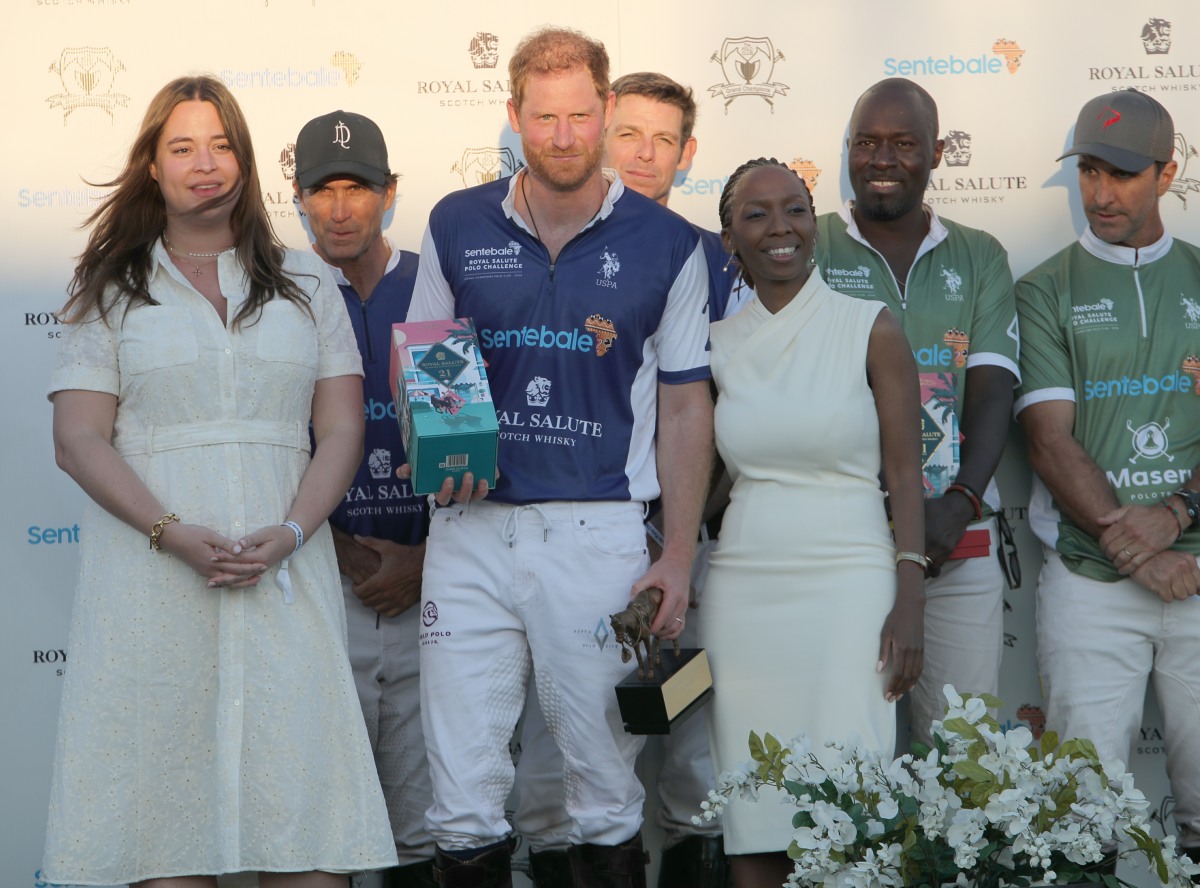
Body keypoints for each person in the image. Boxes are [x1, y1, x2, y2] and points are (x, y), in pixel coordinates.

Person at [42, 76, 395, 887]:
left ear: (245, 160)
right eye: (183, 147)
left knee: (309, 841)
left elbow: (343, 428)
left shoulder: (309, 282)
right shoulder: (108, 285)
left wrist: (294, 531)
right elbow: (78, 439)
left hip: (287, 581)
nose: (205, 164)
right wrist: (170, 533)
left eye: (221, 144)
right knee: (162, 840)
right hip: (149, 588)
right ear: (153, 166)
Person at [406, 27, 713, 888]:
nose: (565, 136)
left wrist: (677, 554)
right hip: (468, 532)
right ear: (514, 115)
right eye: (545, 118)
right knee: (460, 800)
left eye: (580, 116)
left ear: (606, 110)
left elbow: (686, 406)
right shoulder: (456, 221)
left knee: (605, 794)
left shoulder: (668, 241)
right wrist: (444, 449)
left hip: (598, 535)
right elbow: (426, 357)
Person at [512, 71, 738, 888]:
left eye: (663, 140)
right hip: (584, 538)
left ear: (687, 153)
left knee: (691, 742)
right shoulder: (547, 248)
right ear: (603, 135)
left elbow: (729, 410)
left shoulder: (722, 259)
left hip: (690, 538)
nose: (644, 155)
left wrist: (678, 533)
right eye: (629, 135)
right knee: (564, 741)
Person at [700, 158, 925, 888]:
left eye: (795, 209)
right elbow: (708, 482)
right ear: (730, 238)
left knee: (851, 801)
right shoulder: (714, 344)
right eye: (757, 214)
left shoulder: (870, 327)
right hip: (743, 590)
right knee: (754, 803)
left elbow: (905, 476)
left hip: (850, 582)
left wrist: (911, 595)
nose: (781, 228)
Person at [1014, 88, 1200, 865]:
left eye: (1122, 174)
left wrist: (1179, 511)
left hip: (1197, 575)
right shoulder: (1045, 287)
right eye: (1089, 171)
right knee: (1085, 824)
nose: (1100, 193)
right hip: (1090, 582)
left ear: (1168, 172)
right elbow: (1048, 442)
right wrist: (1141, 552)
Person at [814, 78, 1019, 748]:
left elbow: (992, 391)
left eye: (903, 143)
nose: (882, 159)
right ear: (847, 149)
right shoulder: (810, 245)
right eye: (866, 142)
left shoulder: (979, 254)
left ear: (937, 152)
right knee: (843, 759)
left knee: (964, 758)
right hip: (843, 541)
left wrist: (960, 503)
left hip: (955, 541)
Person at [292, 110, 435, 888]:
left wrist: (426, 557)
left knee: (426, 823)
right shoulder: (279, 293)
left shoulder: (438, 282)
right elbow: (267, 447)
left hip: (434, 587)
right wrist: (340, 548)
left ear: (390, 192)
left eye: (358, 189)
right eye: (323, 191)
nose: (341, 209)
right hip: (321, 587)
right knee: (328, 823)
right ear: (298, 197)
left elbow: (482, 435)